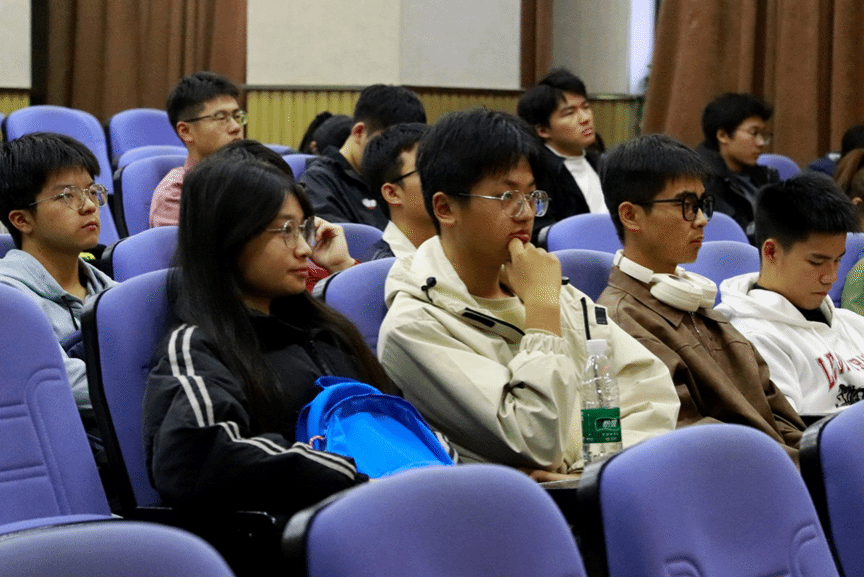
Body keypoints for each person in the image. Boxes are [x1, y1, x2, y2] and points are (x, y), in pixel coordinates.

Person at [378, 109, 679, 476]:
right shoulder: (414, 327)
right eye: (506, 196)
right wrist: (541, 313)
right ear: (445, 208)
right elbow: (536, 441)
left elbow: (650, 393)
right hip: (507, 505)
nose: (526, 213)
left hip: (600, 485)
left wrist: (588, 470)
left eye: (531, 195)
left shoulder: (543, 285)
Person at [143, 155, 401, 516]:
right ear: (228, 238)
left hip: (385, 504)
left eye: (302, 229)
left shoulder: (324, 329)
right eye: (285, 231)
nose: (305, 249)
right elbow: (197, 454)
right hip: (312, 527)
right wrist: (355, 479)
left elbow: (393, 413)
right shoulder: (197, 345)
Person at [596, 134, 805, 462]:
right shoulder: (621, 322)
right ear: (631, 216)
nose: (702, 219)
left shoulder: (701, 308)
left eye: (701, 204)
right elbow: (694, 442)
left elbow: (780, 418)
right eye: (685, 206)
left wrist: (824, 464)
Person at [717, 172, 864, 413]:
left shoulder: (853, 324)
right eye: (817, 262)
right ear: (771, 252)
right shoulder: (750, 340)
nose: (831, 277)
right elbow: (787, 431)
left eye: (838, 260)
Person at [0, 132, 116, 431]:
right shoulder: (9, 302)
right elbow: (65, 384)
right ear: (22, 220)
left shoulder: (113, 293)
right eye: (67, 196)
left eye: (91, 191)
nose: (89, 206)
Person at [300, 84, 427, 230]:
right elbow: (336, 240)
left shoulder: (401, 179)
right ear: (359, 132)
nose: (397, 155)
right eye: (386, 141)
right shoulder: (318, 182)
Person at [517, 68, 604, 242]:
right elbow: (539, 232)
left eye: (585, 107)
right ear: (542, 130)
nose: (585, 118)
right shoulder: (537, 173)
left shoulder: (600, 161)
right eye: (570, 113)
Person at [149, 71, 245, 227]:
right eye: (221, 118)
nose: (236, 127)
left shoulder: (253, 176)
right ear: (186, 132)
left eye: (237, 116)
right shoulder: (176, 194)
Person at [695, 93, 778, 243]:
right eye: (753, 133)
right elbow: (732, 232)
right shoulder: (703, 180)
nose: (761, 143)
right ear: (723, 135)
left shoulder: (764, 175)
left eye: (763, 134)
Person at [361, 122, 434, 260]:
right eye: (429, 171)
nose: (445, 179)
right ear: (392, 194)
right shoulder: (381, 268)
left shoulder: (463, 251)